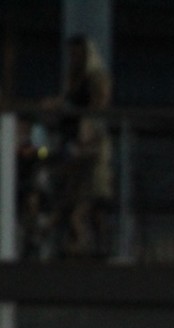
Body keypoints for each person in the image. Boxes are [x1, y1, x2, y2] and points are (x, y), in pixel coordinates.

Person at [44, 34, 114, 257]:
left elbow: (99, 104)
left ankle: (93, 248)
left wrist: (87, 126)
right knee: (75, 196)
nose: (73, 57)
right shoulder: (74, 79)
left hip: (90, 144)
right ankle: (80, 246)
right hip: (75, 143)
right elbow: (66, 100)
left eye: (76, 52)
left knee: (90, 200)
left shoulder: (96, 77)